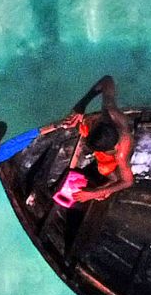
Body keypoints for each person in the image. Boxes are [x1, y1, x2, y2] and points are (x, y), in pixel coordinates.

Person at [52, 76, 134, 209]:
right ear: (103, 123)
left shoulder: (121, 154)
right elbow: (107, 80)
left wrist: (96, 192)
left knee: (105, 169)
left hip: (110, 156)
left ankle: (110, 182)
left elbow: (128, 181)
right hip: (103, 134)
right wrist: (82, 105)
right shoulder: (109, 111)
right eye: (95, 123)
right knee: (76, 120)